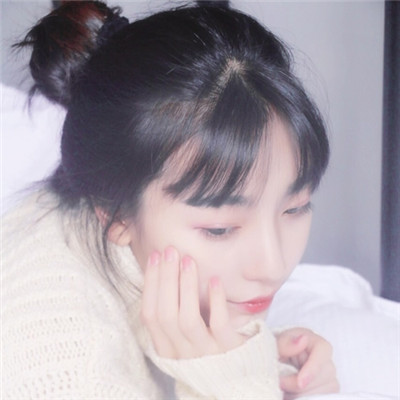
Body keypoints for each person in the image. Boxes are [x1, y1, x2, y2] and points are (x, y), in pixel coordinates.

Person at [2, 1, 339, 399]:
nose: (273, 265)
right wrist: (238, 385)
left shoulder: (96, 220)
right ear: (115, 213)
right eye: (220, 229)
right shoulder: (62, 370)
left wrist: (260, 356)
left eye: (295, 207)